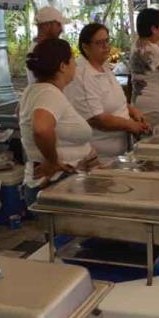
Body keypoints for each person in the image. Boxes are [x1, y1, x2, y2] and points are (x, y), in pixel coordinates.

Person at [19, 39, 97, 203]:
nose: (75, 65)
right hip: (57, 183)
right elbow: (41, 129)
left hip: (62, 181)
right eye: (73, 60)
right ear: (63, 66)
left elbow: (21, 118)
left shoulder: (34, 90)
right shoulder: (48, 93)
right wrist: (53, 161)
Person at [65, 23, 150, 158]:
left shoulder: (103, 65)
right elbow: (98, 119)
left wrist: (133, 111)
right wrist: (130, 125)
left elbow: (115, 100)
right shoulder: (83, 75)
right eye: (99, 43)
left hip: (119, 149)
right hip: (99, 155)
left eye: (107, 41)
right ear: (85, 47)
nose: (106, 46)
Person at [26, 6, 69, 84]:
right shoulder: (38, 51)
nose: (61, 30)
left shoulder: (40, 48)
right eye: (58, 25)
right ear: (47, 26)